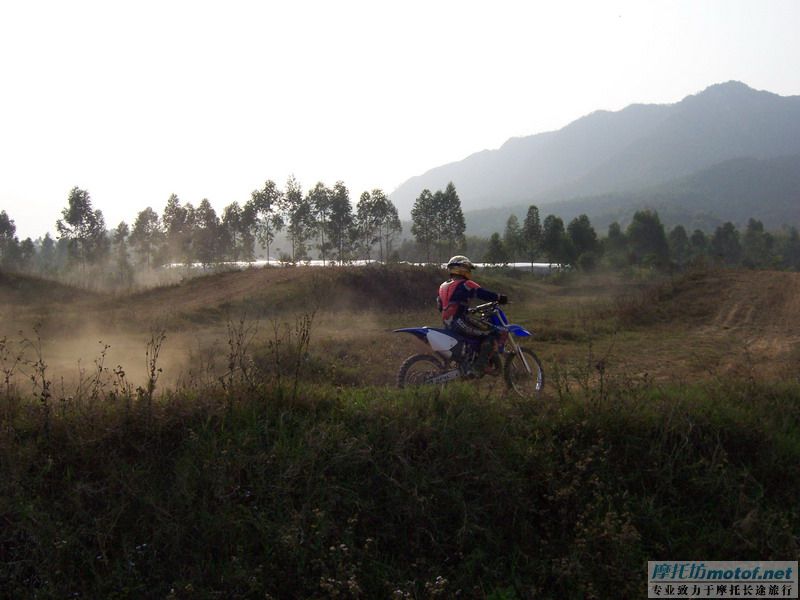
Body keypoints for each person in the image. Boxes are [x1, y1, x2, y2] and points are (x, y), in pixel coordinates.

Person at [437, 255, 508, 377]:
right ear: (463, 269)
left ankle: (469, 361)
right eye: (468, 269)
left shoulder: (443, 286)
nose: (469, 272)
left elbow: (441, 305)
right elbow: (482, 293)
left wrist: (464, 309)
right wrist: (499, 297)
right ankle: (478, 367)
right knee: (492, 333)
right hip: (459, 322)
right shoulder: (466, 284)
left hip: (447, 324)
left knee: (476, 336)